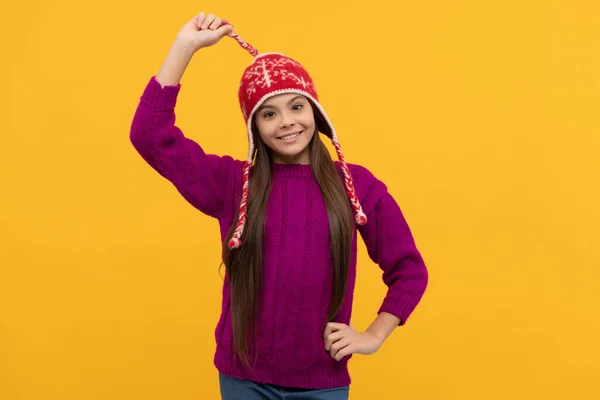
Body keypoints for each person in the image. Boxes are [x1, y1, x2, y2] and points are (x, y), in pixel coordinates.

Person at [130, 11, 429, 400]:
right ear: (254, 126)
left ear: (316, 112)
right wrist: (185, 47)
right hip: (244, 381)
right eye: (269, 114)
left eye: (296, 107)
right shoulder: (233, 184)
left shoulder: (356, 185)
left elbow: (409, 270)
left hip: (323, 383)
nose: (286, 122)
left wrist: (373, 335)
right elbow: (150, 136)